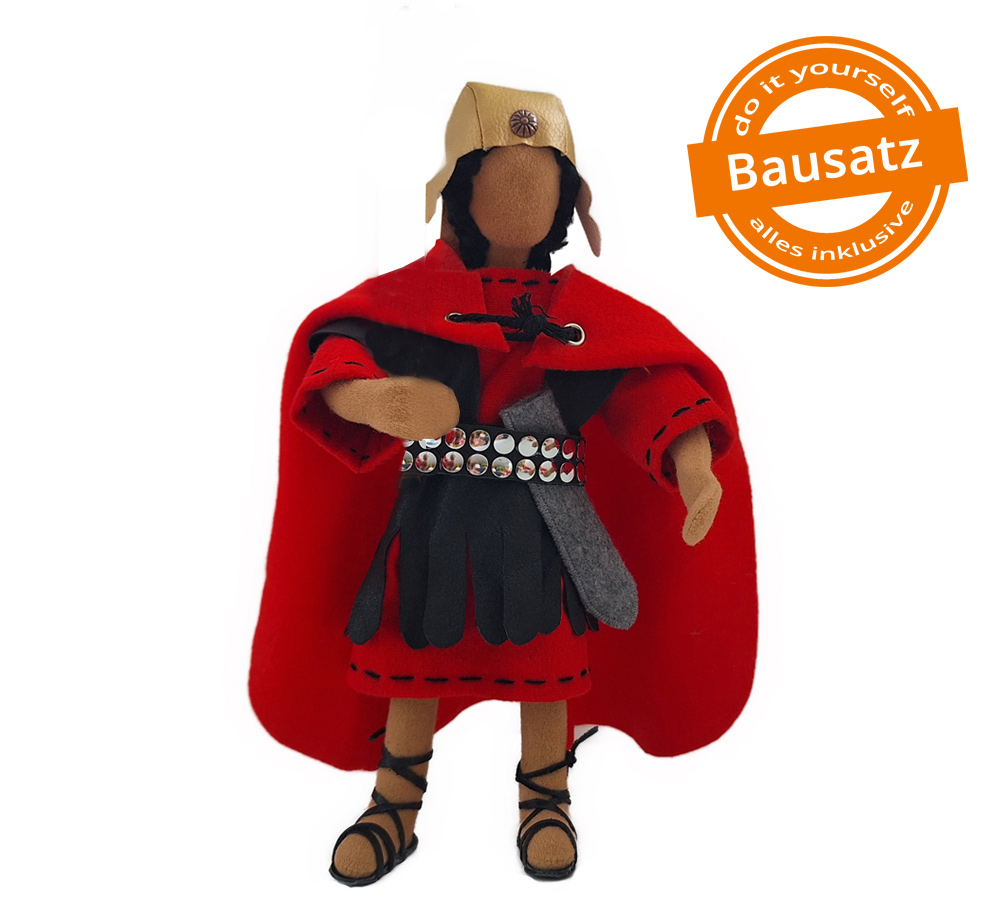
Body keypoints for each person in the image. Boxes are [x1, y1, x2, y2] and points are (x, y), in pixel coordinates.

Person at [250, 82, 757, 885]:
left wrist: (691, 465)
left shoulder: (586, 314)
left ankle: (545, 796)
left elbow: (644, 384)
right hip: (434, 515)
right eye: (501, 177)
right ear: (461, 189)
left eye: (541, 182)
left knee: (543, 656)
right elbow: (340, 355)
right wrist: (380, 400)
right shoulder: (406, 303)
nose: (522, 200)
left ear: (565, 202)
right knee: (415, 644)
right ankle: (395, 799)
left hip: (544, 526)